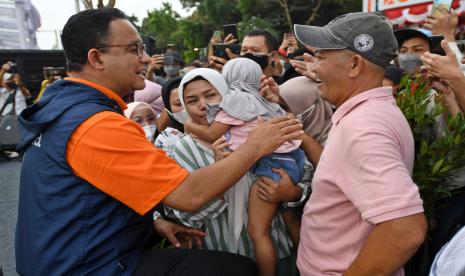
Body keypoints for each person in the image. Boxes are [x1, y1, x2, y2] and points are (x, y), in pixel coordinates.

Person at [15, 8, 303, 276]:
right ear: (96, 58)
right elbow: (188, 197)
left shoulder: (65, 108)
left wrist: (151, 224)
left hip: (66, 258)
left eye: (142, 49)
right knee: (238, 270)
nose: (144, 58)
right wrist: (255, 146)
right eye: (133, 49)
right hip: (91, 266)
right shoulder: (95, 124)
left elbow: (89, 198)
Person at [293, 12, 427, 275]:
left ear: (354, 64)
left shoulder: (363, 128)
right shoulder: (373, 112)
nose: (314, 67)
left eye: (321, 57)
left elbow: (404, 229)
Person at [165, 68, 309, 276]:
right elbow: (186, 217)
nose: (203, 105)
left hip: (278, 251)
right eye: (192, 100)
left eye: (211, 95)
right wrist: (219, 175)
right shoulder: (184, 149)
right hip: (222, 260)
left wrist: (293, 193)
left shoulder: (260, 128)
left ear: (226, 95)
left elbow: (305, 172)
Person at [209, 29, 283, 80]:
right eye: (244, 50)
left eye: (255, 50)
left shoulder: (282, 88)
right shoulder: (232, 84)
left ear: (272, 56)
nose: (248, 54)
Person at [155, 77, 186, 157]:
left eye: (192, 100)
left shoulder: (218, 125)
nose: (186, 108)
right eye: (179, 104)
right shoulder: (166, 139)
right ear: (169, 108)